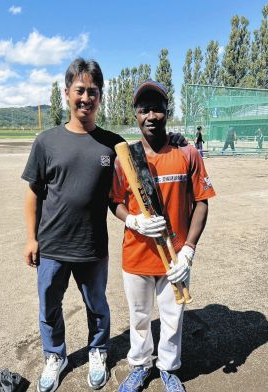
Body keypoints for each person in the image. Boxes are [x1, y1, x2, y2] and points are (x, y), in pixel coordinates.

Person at [22, 59, 186, 392]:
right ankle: (56, 356)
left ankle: (98, 350)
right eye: (79, 90)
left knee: (97, 305)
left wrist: (177, 138)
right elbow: (32, 193)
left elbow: (146, 147)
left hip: (93, 245)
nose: (85, 98)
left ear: (100, 96)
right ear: (67, 93)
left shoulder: (114, 144)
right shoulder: (46, 141)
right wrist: (30, 238)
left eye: (92, 91)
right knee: (49, 306)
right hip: (51, 244)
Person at [110, 80, 216, 392]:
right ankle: (140, 367)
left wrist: (189, 251)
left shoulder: (187, 152)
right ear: (136, 115)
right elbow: (114, 202)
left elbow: (202, 203)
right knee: (140, 318)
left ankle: (169, 369)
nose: (152, 115)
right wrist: (133, 221)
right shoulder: (124, 159)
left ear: (167, 112)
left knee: (172, 318)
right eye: (145, 110)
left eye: (158, 108)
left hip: (175, 259)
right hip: (137, 257)